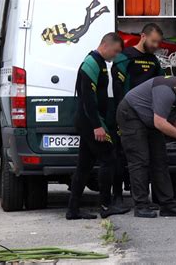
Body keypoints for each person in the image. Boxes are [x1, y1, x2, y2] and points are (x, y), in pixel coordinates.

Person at [111, 23, 176, 205]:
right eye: (153, 41)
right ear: (143, 36)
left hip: (152, 116)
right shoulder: (124, 58)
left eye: (158, 42)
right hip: (130, 113)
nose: (156, 46)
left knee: (158, 158)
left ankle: (166, 202)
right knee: (133, 159)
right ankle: (121, 197)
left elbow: (168, 83)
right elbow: (117, 88)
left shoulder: (154, 61)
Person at [116, 76, 176, 218]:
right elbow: (160, 123)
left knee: (160, 161)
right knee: (140, 161)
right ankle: (141, 206)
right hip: (132, 114)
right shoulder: (167, 89)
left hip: (151, 120)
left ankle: (168, 205)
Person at [66, 32, 130, 220]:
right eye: (116, 51)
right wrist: (97, 126)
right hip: (89, 121)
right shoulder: (91, 63)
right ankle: (105, 205)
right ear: (106, 45)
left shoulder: (101, 63)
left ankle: (73, 210)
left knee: (84, 166)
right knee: (109, 158)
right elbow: (87, 97)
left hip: (91, 121)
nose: (116, 55)